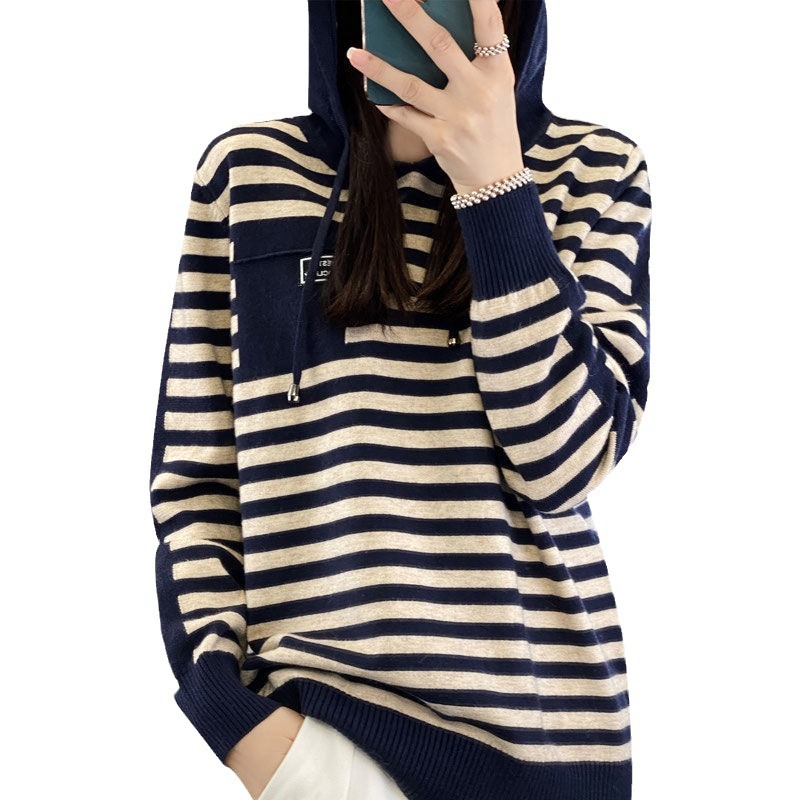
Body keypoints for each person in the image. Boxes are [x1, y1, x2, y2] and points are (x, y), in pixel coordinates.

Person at [148, 0, 652, 798]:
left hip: (545, 753)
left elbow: (565, 462)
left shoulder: (593, 168)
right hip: (323, 742)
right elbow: (197, 482)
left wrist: (497, 188)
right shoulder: (249, 172)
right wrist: (234, 719)